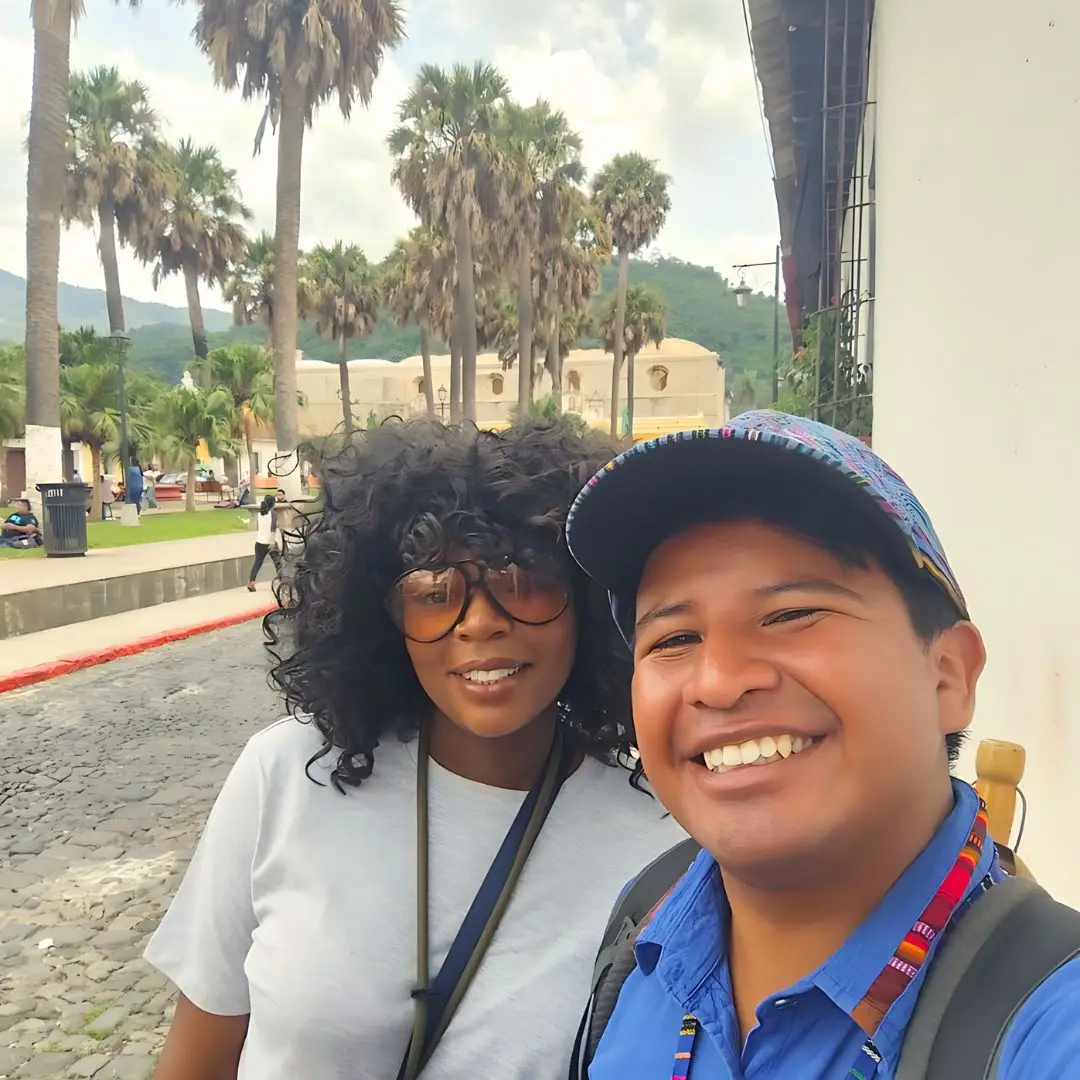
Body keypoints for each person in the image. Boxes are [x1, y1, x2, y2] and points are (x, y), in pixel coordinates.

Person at [144, 418, 684, 1080]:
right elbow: (194, 1060)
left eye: (522, 581)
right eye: (435, 594)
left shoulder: (660, 840)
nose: (481, 622)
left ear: (587, 603)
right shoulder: (286, 775)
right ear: (384, 617)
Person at [564, 411, 1080, 1079]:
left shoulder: (1046, 1031)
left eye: (790, 615)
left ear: (947, 674)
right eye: (673, 639)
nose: (718, 682)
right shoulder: (645, 925)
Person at [246, 493, 283, 591]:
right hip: (269, 542)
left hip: (259, 542)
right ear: (273, 504)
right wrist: (272, 542)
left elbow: (260, 528)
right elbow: (273, 529)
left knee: (257, 563)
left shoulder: (259, 513)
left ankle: (251, 583)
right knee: (278, 561)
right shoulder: (273, 514)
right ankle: (282, 580)